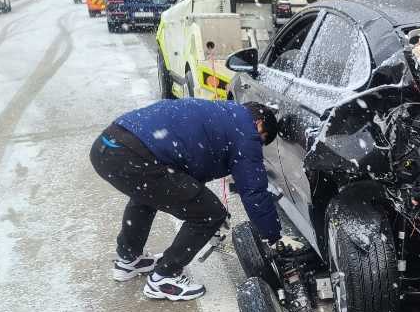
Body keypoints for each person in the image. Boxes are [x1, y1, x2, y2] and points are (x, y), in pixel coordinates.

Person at [90, 98, 281, 301]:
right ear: (259, 123)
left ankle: (129, 259)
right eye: (262, 139)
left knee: (146, 195)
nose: (258, 144)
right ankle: (164, 277)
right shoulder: (247, 132)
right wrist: (273, 236)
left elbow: (190, 162)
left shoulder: (223, 113)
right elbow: (254, 192)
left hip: (108, 146)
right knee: (210, 214)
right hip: (134, 155)